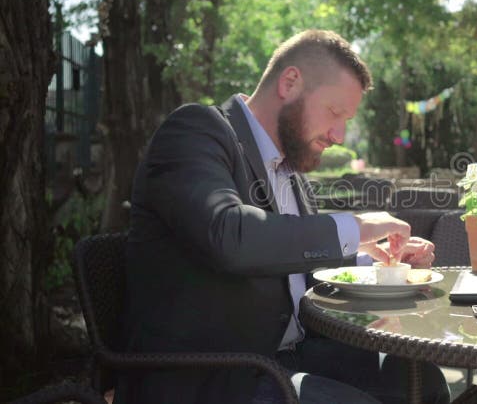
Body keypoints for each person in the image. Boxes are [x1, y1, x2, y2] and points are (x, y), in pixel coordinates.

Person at [118, 30, 450, 404]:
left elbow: (291, 261)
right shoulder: (195, 131)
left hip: (281, 358)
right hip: (210, 375)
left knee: (422, 382)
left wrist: (376, 262)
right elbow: (232, 235)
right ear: (290, 83)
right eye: (335, 112)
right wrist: (357, 226)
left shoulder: (289, 172)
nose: (339, 135)